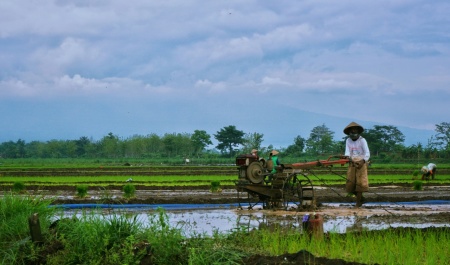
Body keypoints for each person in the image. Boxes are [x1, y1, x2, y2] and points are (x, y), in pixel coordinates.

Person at [343, 122, 370, 207]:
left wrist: (363, 161)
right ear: (349, 133)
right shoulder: (348, 140)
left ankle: (358, 203)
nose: (353, 133)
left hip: (361, 162)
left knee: (360, 183)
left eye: (355, 131)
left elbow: (367, 153)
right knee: (350, 183)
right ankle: (361, 198)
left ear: (358, 132)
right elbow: (347, 152)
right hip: (352, 162)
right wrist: (347, 157)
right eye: (351, 132)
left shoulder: (362, 140)